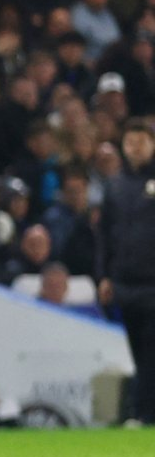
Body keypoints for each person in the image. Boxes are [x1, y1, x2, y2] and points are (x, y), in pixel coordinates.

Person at [96, 118, 155, 426]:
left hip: (152, 283)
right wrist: (104, 276)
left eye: (141, 142)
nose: (135, 148)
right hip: (125, 282)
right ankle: (144, 411)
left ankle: (142, 413)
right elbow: (105, 234)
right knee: (136, 348)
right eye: (130, 142)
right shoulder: (115, 186)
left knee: (150, 347)